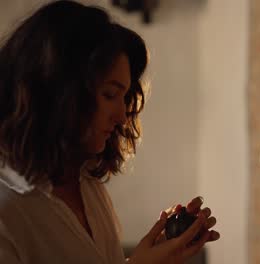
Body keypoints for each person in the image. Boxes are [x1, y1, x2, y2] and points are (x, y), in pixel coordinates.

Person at [0, 1, 219, 263]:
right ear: (57, 91)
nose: (122, 116)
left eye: (124, 97)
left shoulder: (86, 183)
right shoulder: (7, 208)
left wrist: (154, 254)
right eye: (109, 94)